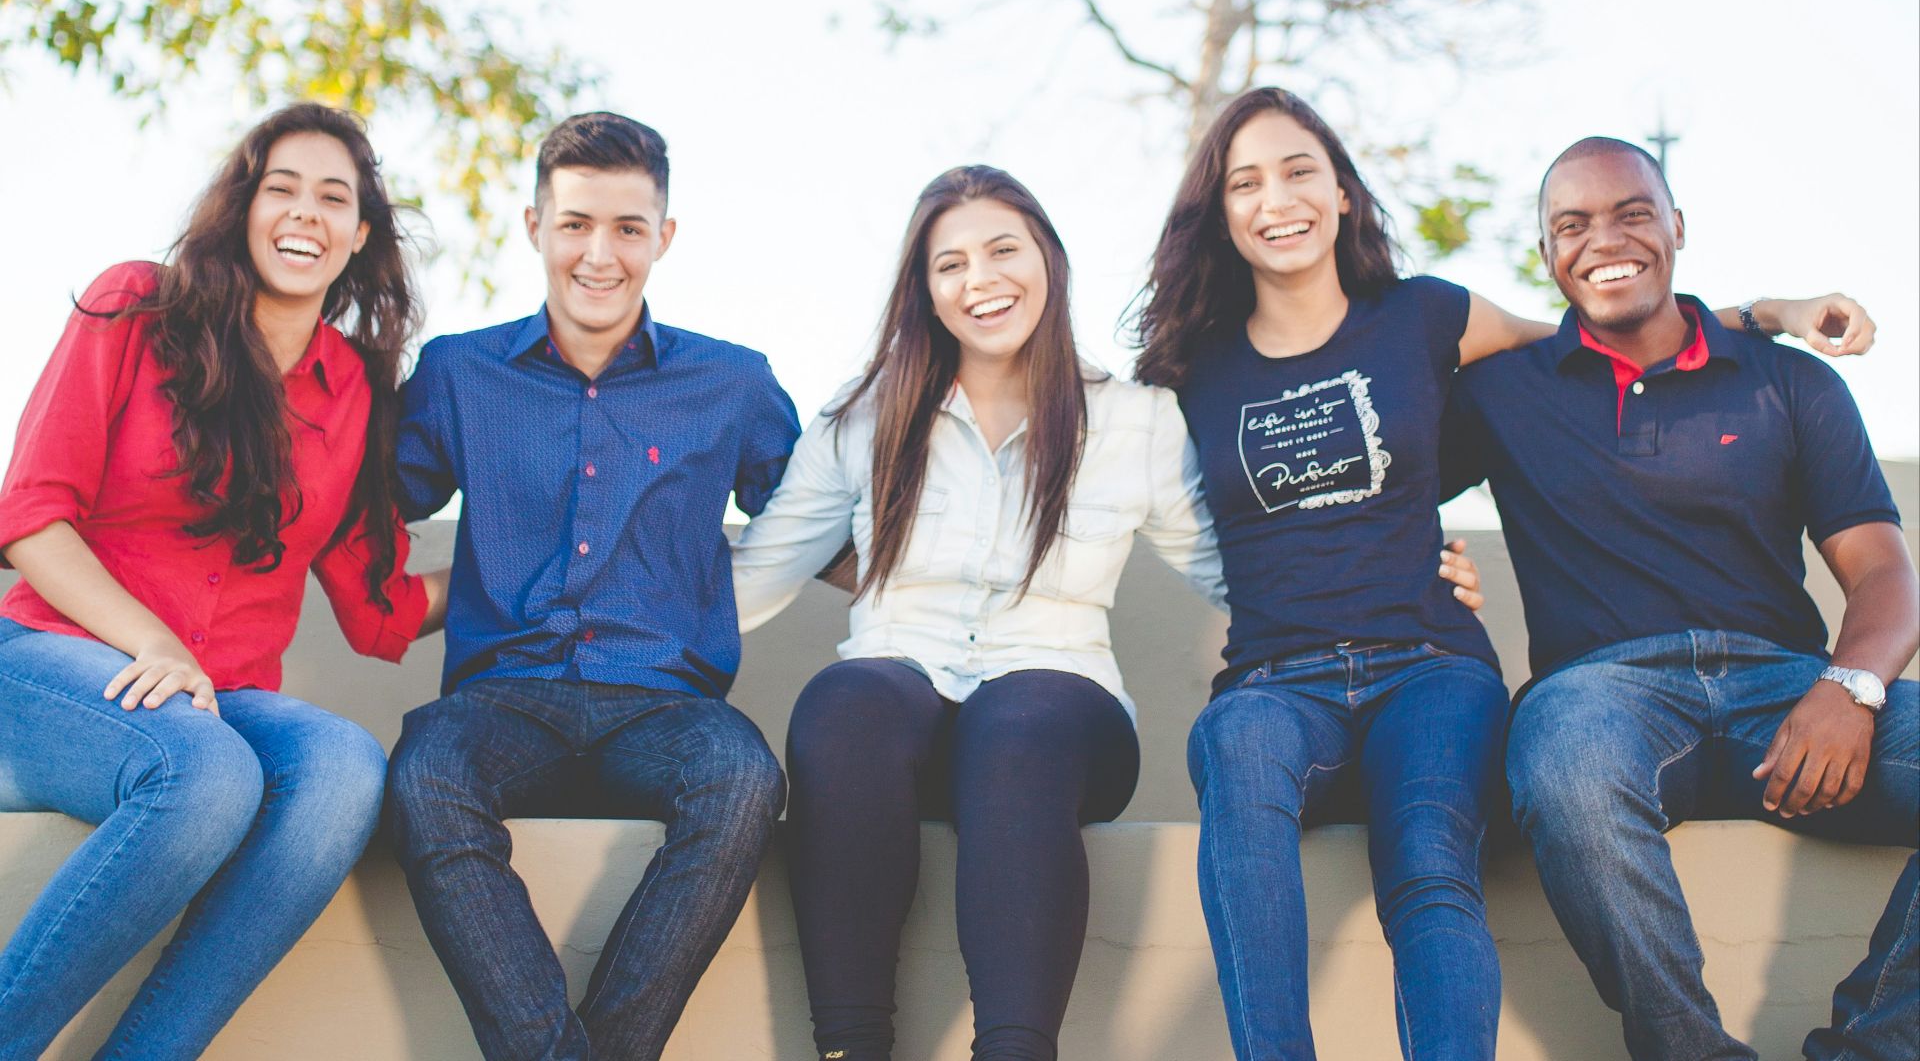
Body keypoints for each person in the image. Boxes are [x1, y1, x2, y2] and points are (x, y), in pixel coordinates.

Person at [1130, 86, 1870, 1061]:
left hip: (1435, 665)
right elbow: (1163, 510)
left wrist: (1762, 313)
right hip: (1292, 678)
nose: (1279, 198)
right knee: (1239, 765)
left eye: (1301, 169)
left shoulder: (1428, 316)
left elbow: (1603, 331)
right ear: (1220, 210)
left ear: (1344, 192)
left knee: (1431, 861)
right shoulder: (1193, 367)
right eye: (1248, 180)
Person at [729, 165, 1483, 1061]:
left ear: (1048, 260)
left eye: (1004, 250)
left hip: (1061, 715)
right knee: (842, 702)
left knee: (1019, 719)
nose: (982, 281)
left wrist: (1405, 573)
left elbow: (1245, 565)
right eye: (951, 265)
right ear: (925, 291)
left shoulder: (1133, 422)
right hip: (898, 707)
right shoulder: (863, 421)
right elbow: (761, 570)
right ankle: (851, 1047)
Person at [1443, 136, 1916, 1061]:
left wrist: (1850, 689)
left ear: (1677, 227)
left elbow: (1885, 574)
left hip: (1787, 693)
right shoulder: (1499, 392)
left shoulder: (1791, 381)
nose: (1602, 239)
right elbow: (1368, 491)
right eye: (1570, 225)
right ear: (1547, 257)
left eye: (1630, 212)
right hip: (1603, 698)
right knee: (1565, 763)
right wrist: (1424, 560)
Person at [0, 103, 445, 1059]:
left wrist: (532, 572)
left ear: (359, 235)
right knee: (202, 775)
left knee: (342, 770)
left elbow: (380, 610)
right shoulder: (137, 307)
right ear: (243, 208)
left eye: (334, 198)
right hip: (53, 660)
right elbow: (30, 516)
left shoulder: (357, 388)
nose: (304, 213)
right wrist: (150, 639)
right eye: (281, 188)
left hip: (221, 696)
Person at [382, 111, 801, 1061]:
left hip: (664, 706)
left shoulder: (732, 383)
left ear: (664, 236)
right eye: (574, 224)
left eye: (626, 228)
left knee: (742, 780)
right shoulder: (459, 371)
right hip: (501, 699)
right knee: (423, 775)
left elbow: (827, 526)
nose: (598, 253)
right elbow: (355, 510)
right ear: (535, 227)